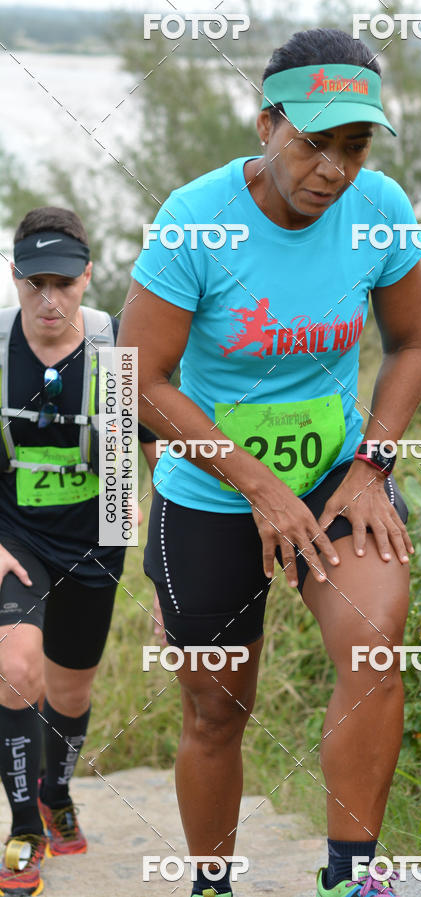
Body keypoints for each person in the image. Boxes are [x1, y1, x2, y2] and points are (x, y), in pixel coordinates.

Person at [119, 27, 421, 897]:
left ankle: (348, 879)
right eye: (312, 142)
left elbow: (412, 342)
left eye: (355, 145)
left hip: (337, 479)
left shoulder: (379, 208)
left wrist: (372, 464)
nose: (333, 169)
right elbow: (140, 379)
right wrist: (259, 487)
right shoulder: (196, 219)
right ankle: (212, 884)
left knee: (374, 652)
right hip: (212, 493)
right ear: (266, 125)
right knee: (217, 712)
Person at [0, 207, 157, 895]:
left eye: (63, 282)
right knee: (16, 669)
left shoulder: (115, 347)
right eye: (34, 283)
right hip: (14, 537)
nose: (49, 299)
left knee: (71, 689)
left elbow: (157, 455)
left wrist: (168, 566)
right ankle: (24, 831)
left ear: (88, 276)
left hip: (98, 536)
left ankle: (56, 791)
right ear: (15, 277)